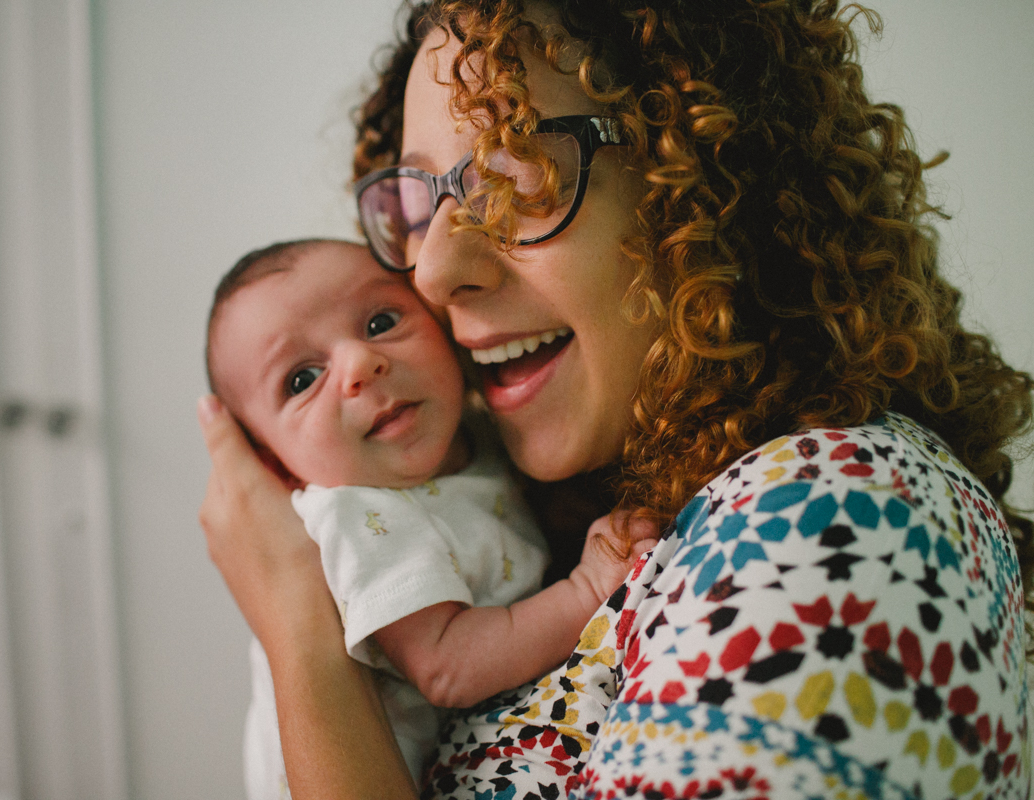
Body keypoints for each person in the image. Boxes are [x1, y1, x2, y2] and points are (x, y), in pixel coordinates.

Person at [198, 1, 1034, 798]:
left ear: (706, 182)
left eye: (516, 172)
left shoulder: (844, 514)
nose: (431, 272)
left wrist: (298, 626)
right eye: (421, 201)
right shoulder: (605, 517)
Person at [204, 238, 648, 797]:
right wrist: (584, 591)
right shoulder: (357, 516)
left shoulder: (479, 439)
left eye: (380, 321)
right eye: (301, 379)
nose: (361, 364)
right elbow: (447, 664)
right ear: (276, 466)